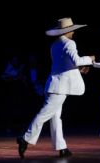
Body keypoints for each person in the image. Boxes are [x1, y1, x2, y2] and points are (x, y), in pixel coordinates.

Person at [16, 17, 95, 159]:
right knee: (45, 113)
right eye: (72, 30)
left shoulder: (55, 45)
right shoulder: (70, 43)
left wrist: (79, 69)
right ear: (69, 31)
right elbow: (76, 60)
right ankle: (25, 138)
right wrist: (89, 59)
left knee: (55, 117)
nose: (74, 33)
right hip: (60, 86)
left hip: (55, 83)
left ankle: (61, 147)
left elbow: (64, 64)